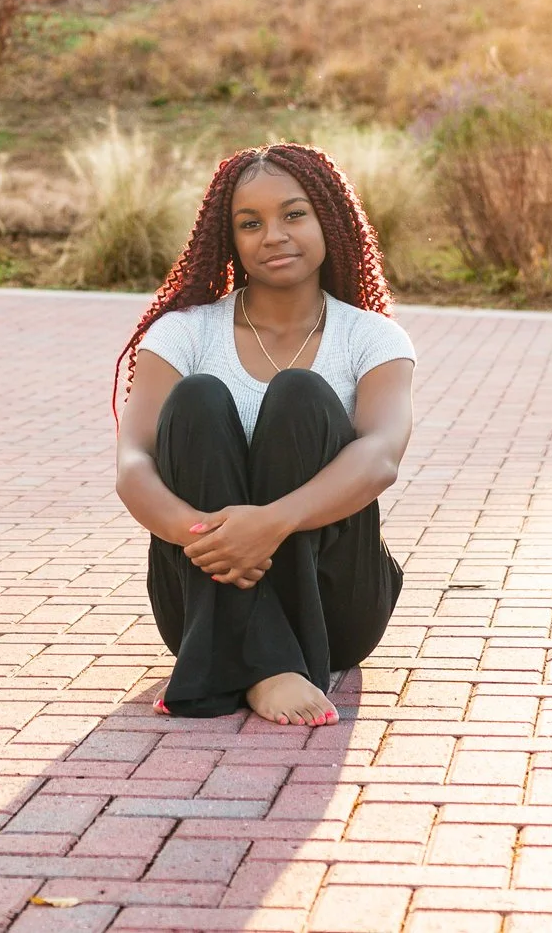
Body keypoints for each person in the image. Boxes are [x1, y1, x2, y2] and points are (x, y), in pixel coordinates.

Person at [112, 142, 416, 725]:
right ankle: (270, 668)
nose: (274, 235)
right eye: (250, 223)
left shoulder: (372, 338)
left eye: (294, 214)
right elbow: (133, 464)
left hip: (333, 606)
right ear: (229, 240)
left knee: (299, 394)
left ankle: (237, 665)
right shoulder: (183, 334)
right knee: (197, 399)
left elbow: (381, 457)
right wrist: (209, 537)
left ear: (329, 221)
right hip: (199, 596)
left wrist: (270, 524)